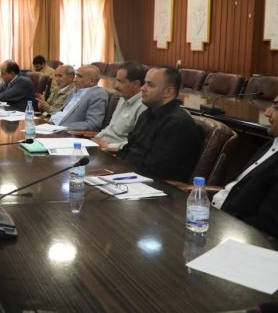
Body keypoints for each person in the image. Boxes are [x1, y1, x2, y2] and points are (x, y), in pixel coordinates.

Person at [117, 66, 202, 182]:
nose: (142, 88)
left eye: (150, 85)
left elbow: (156, 170)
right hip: (128, 176)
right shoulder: (147, 113)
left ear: (168, 92)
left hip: (151, 185)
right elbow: (129, 149)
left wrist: (121, 175)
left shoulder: (177, 123)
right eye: (144, 83)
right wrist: (113, 169)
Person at [212, 95, 278, 237]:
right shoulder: (272, 143)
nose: (267, 113)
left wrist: (217, 223)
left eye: (276, 108)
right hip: (217, 215)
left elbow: (267, 224)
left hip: (234, 230)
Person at [90, 62, 147, 151]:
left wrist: (108, 146)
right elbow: (111, 128)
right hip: (100, 145)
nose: (115, 86)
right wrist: (96, 138)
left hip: (116, 153)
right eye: (116, 80)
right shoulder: (123, 97)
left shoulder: (144, 106)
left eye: (121, 81)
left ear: (136, 84)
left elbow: (137, 143)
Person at [49, 65, 107, 130]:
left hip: (64, 130)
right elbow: (63, 111)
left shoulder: (98, 94)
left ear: (91, 81)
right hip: (51, 123)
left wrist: (63, 127)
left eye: (79, 76)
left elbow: (93, 124)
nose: (74, 79)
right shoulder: (75, 89)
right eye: (76, 76)